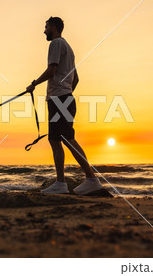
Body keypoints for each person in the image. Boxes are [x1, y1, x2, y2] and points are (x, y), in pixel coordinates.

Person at [26, 16, 102, 195]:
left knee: (67, 138)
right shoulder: (69, 48)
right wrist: (66, 92)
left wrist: (34, 84)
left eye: (45, 27)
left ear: (53, 26)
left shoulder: (56, 44)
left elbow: (52, 70)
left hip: (59, 99)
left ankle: (91, 179)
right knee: (55, 139)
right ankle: (61, 182)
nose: (44, 31)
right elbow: (75, 78)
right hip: (64, 98)